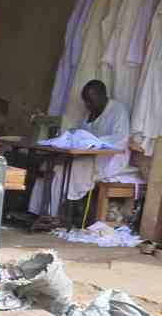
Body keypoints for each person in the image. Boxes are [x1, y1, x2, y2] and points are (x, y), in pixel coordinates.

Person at [29, 79, 132, 217]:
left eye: (90, 101)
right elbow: (82, 135)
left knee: (59, 171)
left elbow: (120, 140)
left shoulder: (118, 110)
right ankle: (36, 211)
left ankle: (51, 215)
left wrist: (92, 142)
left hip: (107, 161)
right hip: (86, 157)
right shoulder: (91, 113)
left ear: (102, 95)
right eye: (86, 102)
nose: (87, 105)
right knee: (47, 166)